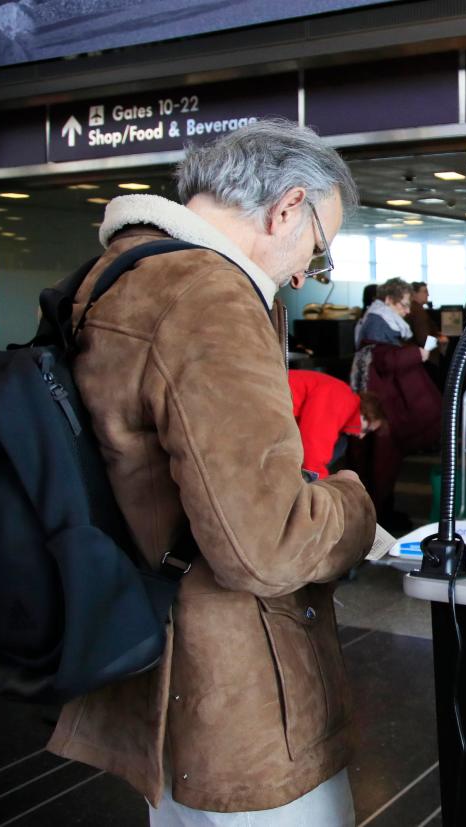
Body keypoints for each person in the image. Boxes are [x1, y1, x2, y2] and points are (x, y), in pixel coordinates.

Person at [45, 119, 375, 825]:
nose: (300, 274)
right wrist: (353, 506)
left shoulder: (113, 277)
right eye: (317, 250)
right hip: (242, 698)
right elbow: (266, 543)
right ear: (288, 207)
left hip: (158, 678)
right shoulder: (209, 293)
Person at [351, 278, 441, 530]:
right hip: (380, 407)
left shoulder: (373, 321)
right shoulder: (378, 325)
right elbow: (385, 359)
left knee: (377, 462)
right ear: (389, 300)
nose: (407, 310)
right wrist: (417, 354)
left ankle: (379, 512)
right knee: (380, 462)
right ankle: (379, 516)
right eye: (403, 304)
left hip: (377, 403)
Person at [288, 369, 385, 480]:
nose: (361, 436)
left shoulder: (344, 398)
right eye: (366, 430)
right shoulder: (342, 400)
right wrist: (321, 487)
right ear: (366, 414)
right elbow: (313, 446)